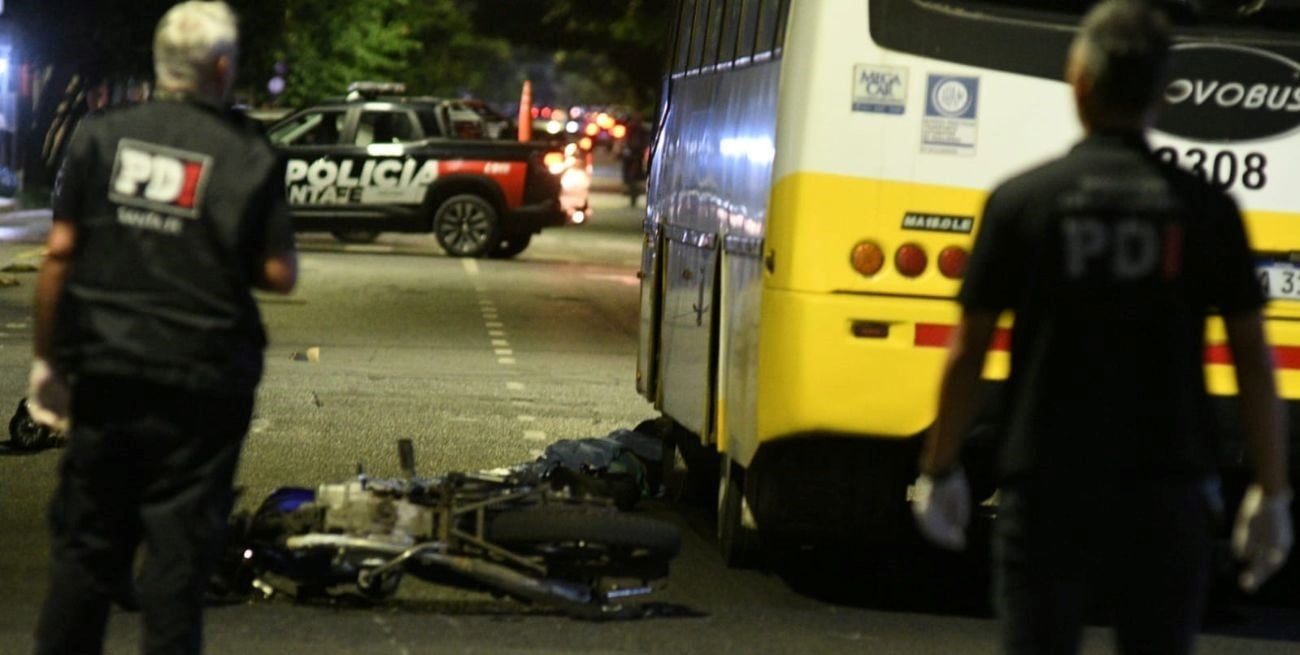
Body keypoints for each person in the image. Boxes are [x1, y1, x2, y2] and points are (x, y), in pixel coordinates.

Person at [911, 2, 1292, 653]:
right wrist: (1272, 489)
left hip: (1046, 485)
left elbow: (967, 351)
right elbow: (1254, 360)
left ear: (1078, 82)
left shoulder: (1023, 201)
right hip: (1168, 487)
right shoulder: (1207, 211)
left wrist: (939, 465)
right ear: (1164, 94)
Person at [28, 2, 298, 653]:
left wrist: (47, 362)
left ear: (160, 61)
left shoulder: (102, 135)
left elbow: (59, 252)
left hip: (109, 371)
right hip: (204, 381)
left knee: (86, 553)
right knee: (178, 565)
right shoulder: (247, 153)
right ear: (222, 68)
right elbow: (278, 272)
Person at [619, 111, 650, 207]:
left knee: (634, 177)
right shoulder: (630, 129)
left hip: (637, 157)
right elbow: (625, 141)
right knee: (629, 177)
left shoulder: (641, 131)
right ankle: (632, 194)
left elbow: (643, 143)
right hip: (630, 156)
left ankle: (634, 196)